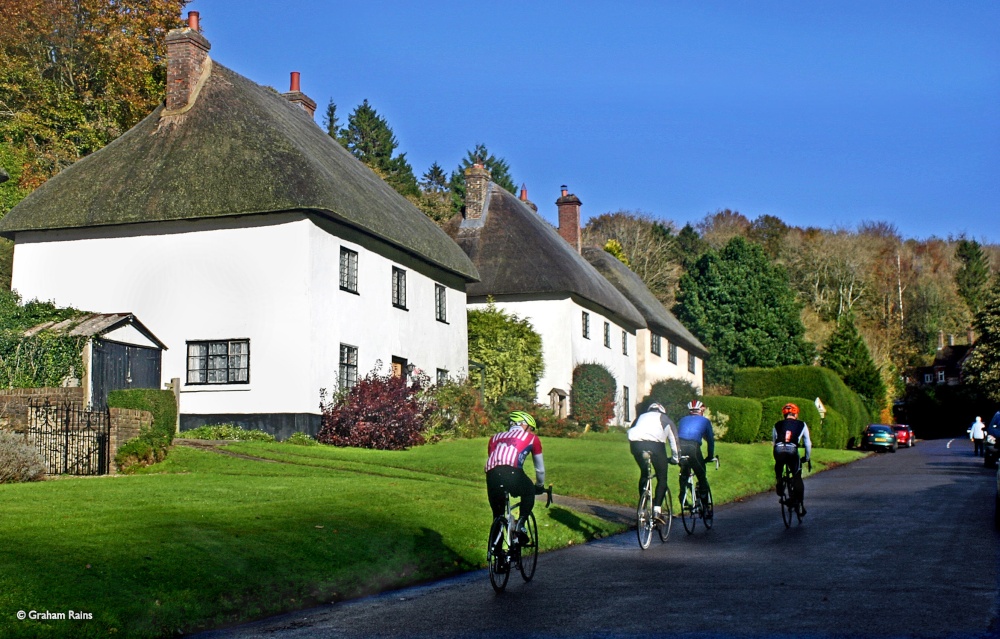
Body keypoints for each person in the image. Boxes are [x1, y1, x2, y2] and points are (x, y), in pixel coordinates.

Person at [485, 410, 545, 545]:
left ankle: (496, 555)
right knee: (529, 490)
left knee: (498, 515)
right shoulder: (532, 439)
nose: (531, 432)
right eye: (531, 428)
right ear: (524, 425)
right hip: (513, 473)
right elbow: (539, 469)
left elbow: (494, 459)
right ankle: (520, 525)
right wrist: (539, 486)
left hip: (492, 475)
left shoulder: (494, 438)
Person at [627, 402, 679, 523]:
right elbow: (674, 441)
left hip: (636, 445)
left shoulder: (640, 417)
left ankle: (643, 508)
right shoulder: (665, 419)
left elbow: (632, 430)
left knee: (644, 473)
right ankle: (657, 510)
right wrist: (675, 459)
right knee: (662, 478)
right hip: (655, 446)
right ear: (662, 411)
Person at [772, 403, 812, 517]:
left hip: (778, 450)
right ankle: (799, 504)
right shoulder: (802, 424)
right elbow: (807, 443)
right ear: (796, 414)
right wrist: (807, 457)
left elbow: (774, 442)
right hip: (792, 450)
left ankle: (779, 481)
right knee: (797, 476)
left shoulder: (777, 424)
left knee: (779, 463)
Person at [676, 400, 715, 507]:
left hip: (679, 446)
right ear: (701, 411)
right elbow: (710, 440)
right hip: (693, 447)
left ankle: (682, 494)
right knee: (701, 473)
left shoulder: (682, 419)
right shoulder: (705, 421)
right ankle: (704, 501)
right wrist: (710, 456)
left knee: (684, 469)